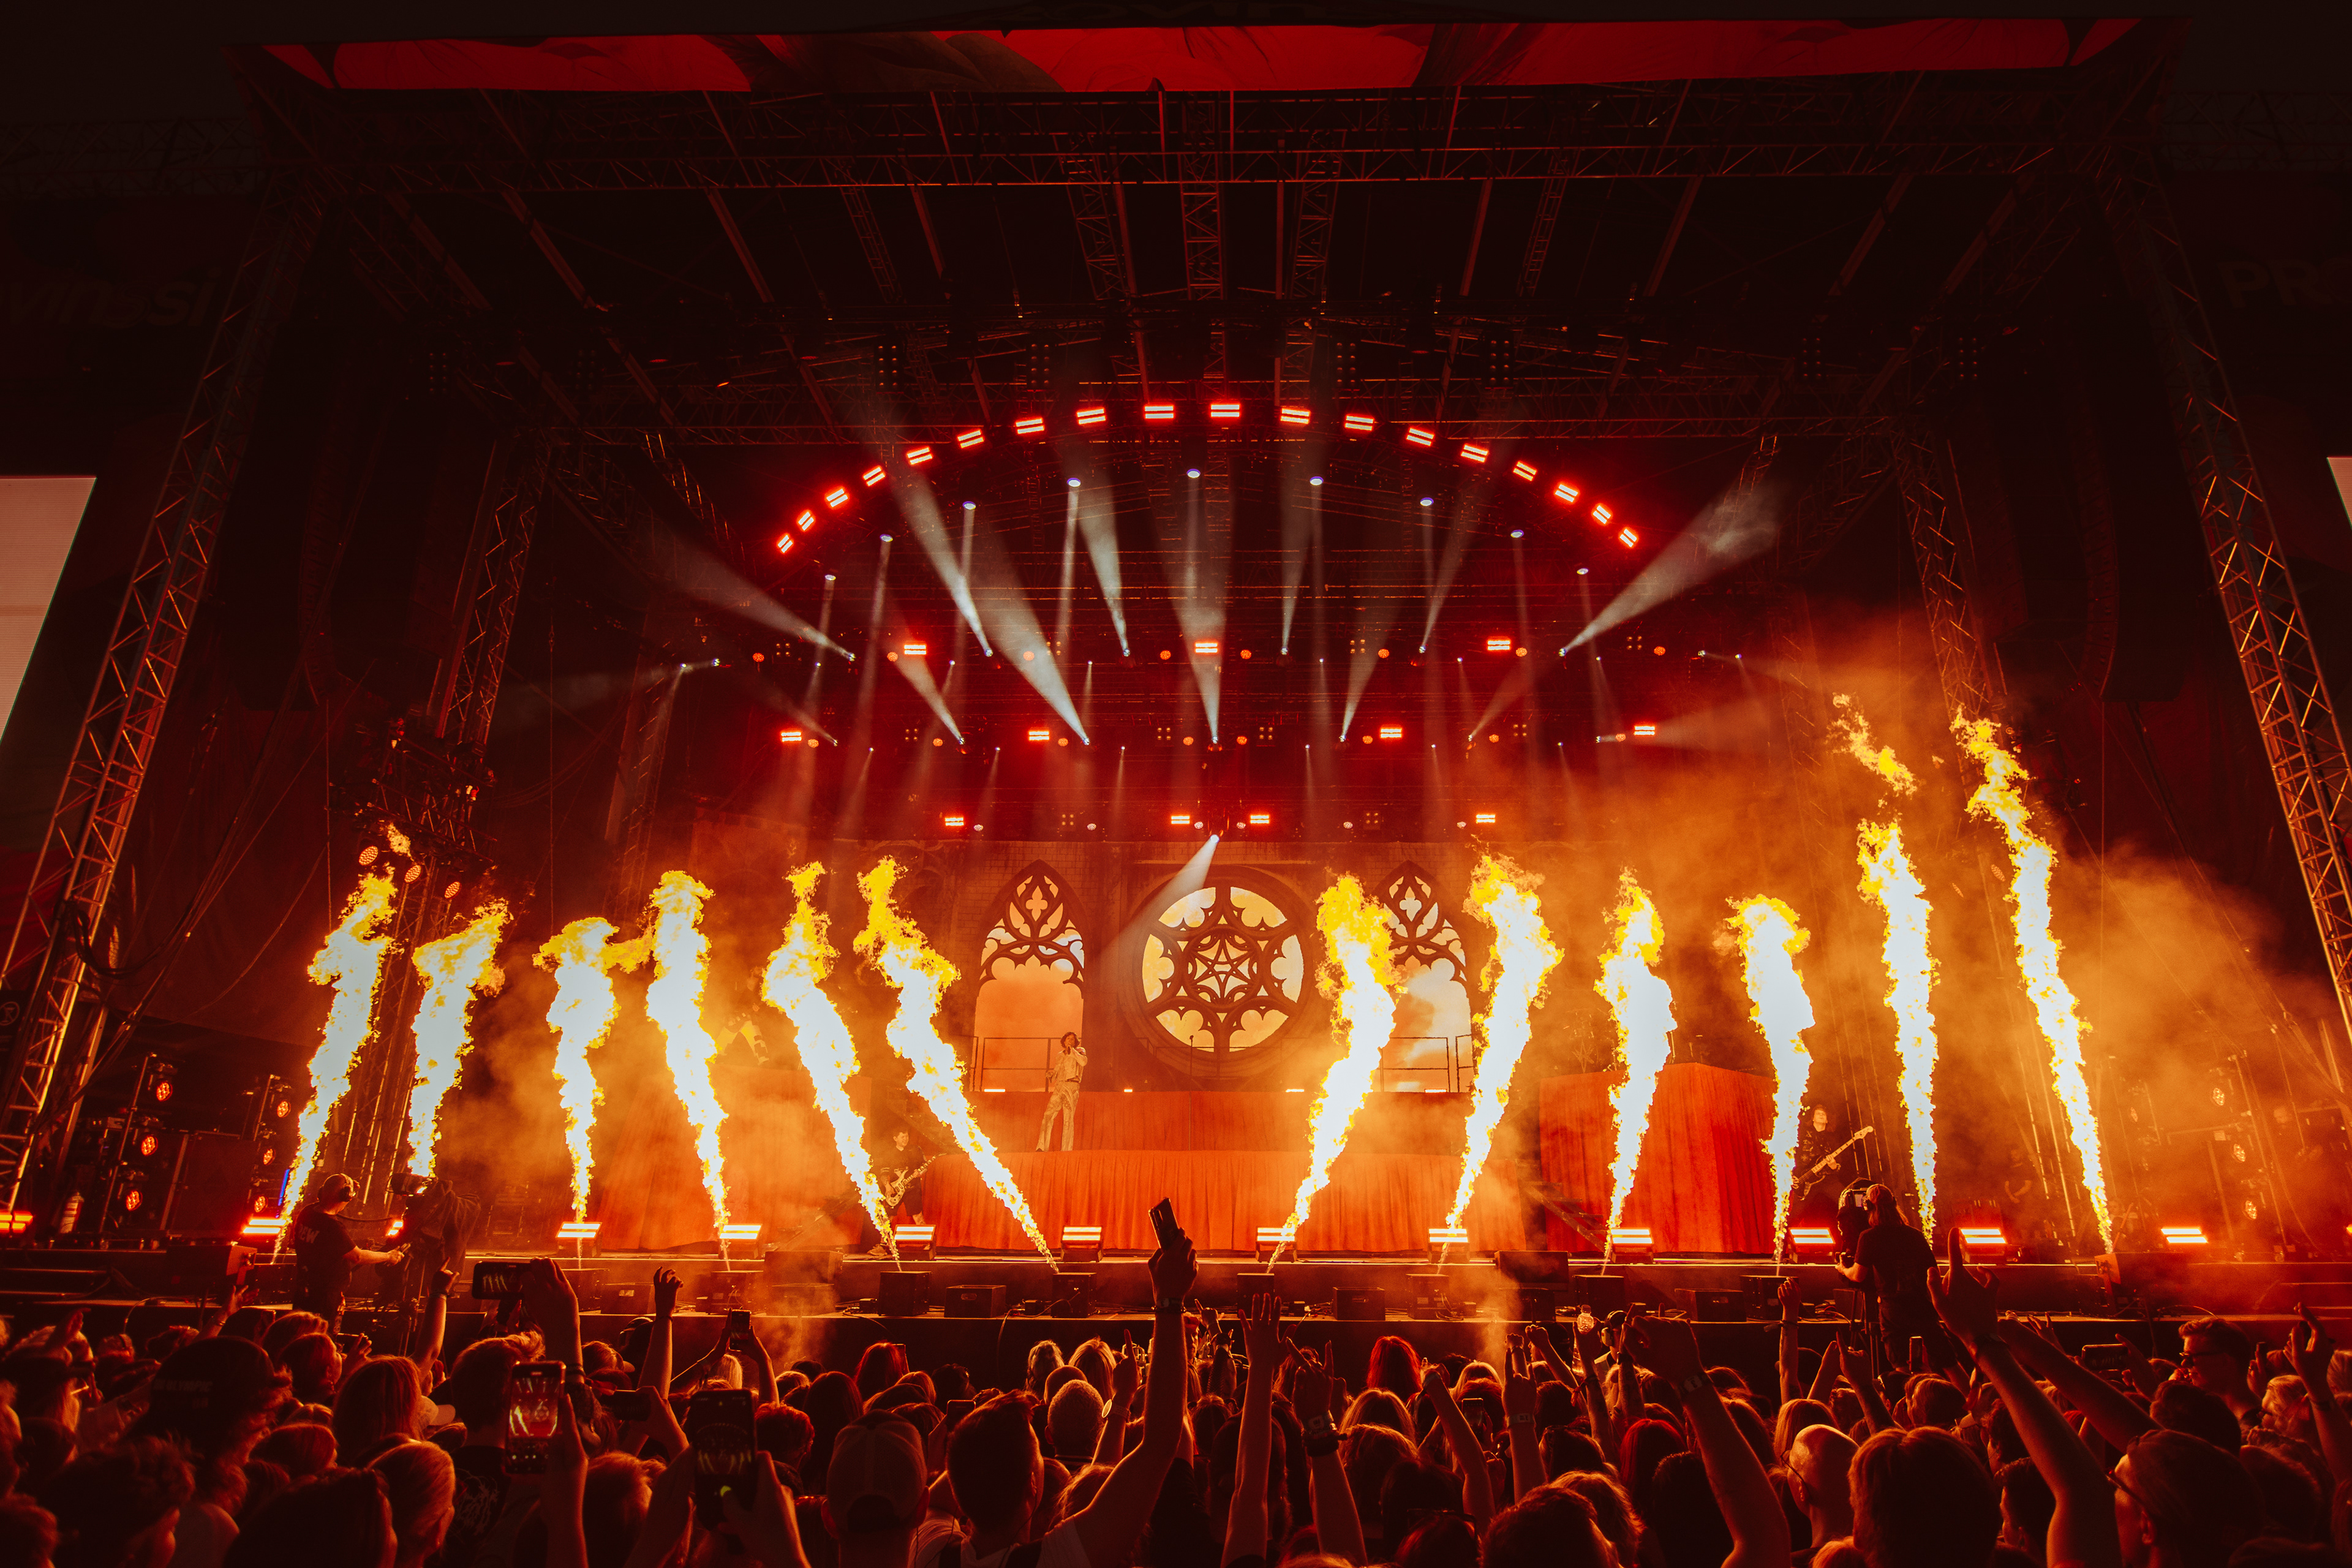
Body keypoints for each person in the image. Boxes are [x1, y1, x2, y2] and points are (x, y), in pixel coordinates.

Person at [1838, 1185, 1939, 1372]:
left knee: (1901, 1365)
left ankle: (1907, 1391)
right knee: (1945, 1361)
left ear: (1867, 1207)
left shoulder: (1869, 1237)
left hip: (1894, 1310)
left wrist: (1843, 1269)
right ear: (1895, 1204)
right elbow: (1933, 1273)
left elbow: (1858, 1275)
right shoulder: (1915, 1235)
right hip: (1923, 1308)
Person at [290, 1174, 407, 1326]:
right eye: (350, 1194)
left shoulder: (307, 1212)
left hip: (303, 1291)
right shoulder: (333, 1228)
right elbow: (358, 1257)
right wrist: (389, 1256)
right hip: (324, 1298)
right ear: (345, 1196)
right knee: (320, 1335)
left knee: (298, 1331)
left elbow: (331, 1197)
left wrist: (347, 1189)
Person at [1038, 1033, 1087, 1152]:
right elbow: (1057, 1070)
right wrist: (1051, 1075)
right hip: (1060, 1086)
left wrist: (1072, 1051)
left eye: (1072, 1039)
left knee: (1068, 1118)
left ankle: (1066, 1149)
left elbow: (1083, 1062)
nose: (1070, 1040)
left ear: (1075, 1042)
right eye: (1068, 1039)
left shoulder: (1079, 1051)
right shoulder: (1060, 1055)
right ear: (1064, 1042)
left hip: (1072, 1085)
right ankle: (1042, 1147)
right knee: (1048, 1114)